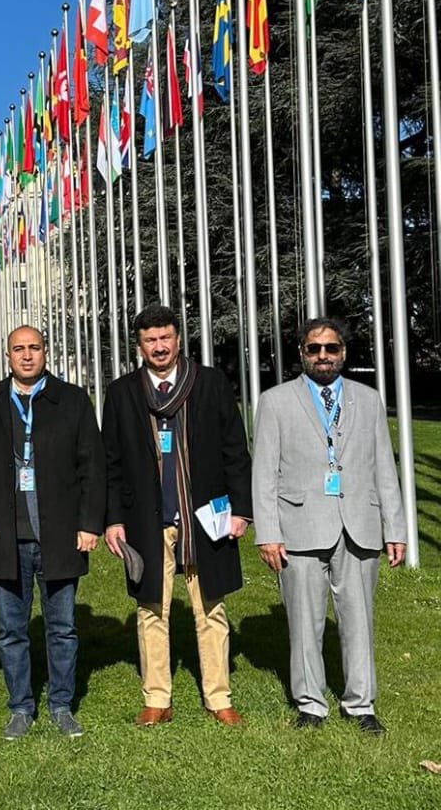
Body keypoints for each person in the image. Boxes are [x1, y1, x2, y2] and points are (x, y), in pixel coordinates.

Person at [251, 317, 407, 734]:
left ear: (344, 353)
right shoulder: (275, 401)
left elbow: (384, 468)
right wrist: (268, 533)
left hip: (359, 524)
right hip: (298, 526)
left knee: (359, 620)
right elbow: (263, 474)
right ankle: (310, 704)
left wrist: (395, 528)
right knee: (304, 623)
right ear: (302, 353)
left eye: (331, 348)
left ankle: (360, 704)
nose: (323, 356)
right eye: (314, 349)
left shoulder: (368, 400)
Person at [102, 304, 253, 728]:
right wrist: (113, 519)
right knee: (151, 608)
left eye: (165, 337)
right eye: (150, 340)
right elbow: (110, 462)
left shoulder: (210, 384)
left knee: (211, 608)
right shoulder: (122, 393)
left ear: (178, 339)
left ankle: (218, 698)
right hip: (145, 521)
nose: (159, 346)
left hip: (205, 517)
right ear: (139, 346)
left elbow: (235, 450)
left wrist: (241, 510)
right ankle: (157, 698)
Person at [0, 325, 105, 740]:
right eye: (18, 349)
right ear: (7, 355)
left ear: (46, 352)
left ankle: (61, 705)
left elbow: (92, 467)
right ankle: (20, 708)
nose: (27, 356)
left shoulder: (72, 400)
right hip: (6, 537)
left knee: (62, 628)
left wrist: (88, 524)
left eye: (34, 348)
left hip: (59, 535)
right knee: (11, 631)